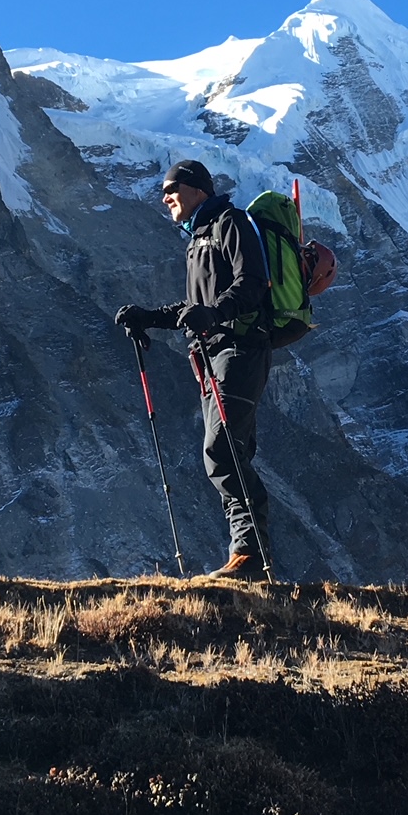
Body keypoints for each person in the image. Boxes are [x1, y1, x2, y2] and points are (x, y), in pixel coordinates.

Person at [114, 160, 276, 582]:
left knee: (222, 450)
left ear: (198, 188)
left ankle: (249, 553)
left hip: (240, 350)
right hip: (213, 357)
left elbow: (253, 282)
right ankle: (250, 556)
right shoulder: (199, 238)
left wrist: (216, 312)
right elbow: (195, 310)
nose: (165, 196)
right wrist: (147, 317)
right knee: (227, 451)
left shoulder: (230, 223)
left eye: (172, 187)